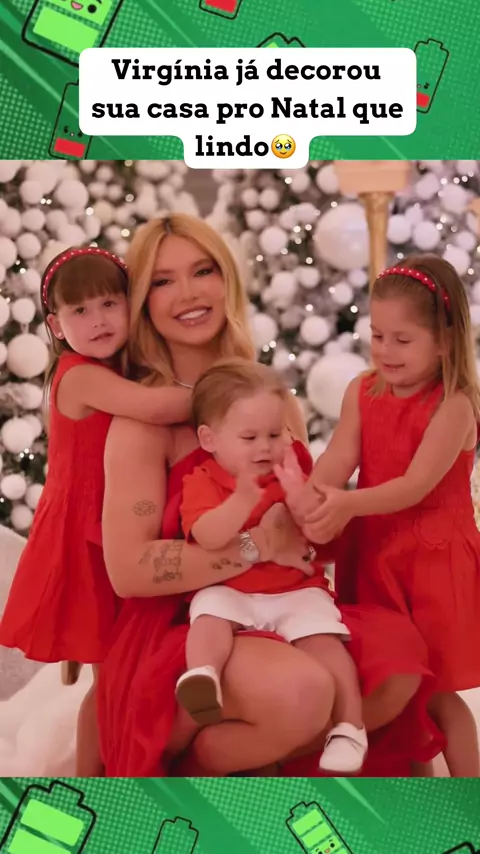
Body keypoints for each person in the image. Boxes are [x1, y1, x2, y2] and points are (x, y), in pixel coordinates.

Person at [97, 215, 443, 778]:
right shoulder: (141, 422)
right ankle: (191, 783)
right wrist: (256, 546)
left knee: (398, 664)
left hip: (284, 598)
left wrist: (323, 522)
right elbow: (129, 572)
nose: (188, 293)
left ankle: (275, 776)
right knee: (303, 691)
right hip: (186, 622)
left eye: (203, 271)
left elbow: (305, 535)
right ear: (141, 302)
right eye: (162, 281)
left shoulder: (269, 399)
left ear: (227, 279)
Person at [0, 246, 192, 776]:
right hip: (86, 538)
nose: (98, 320)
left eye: (110, 303)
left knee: (120, 675)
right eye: (80, 311)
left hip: (109, 527)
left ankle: (112, 772)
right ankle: (92, 783)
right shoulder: (78, 375)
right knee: (110, 680)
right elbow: (157, 406)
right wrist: (229, 386)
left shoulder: (115, 369)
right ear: (55, 326)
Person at [296, 255, 480, 777]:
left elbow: (415, 485)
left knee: (435, 691)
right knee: (391, 680)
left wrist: (346, 504)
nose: (385, 350)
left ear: (444, 340)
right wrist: (310, 496)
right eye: (378, 336)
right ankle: (412, 791)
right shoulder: (364, 390)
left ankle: (470, 792)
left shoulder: (454, 405)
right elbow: (338, 458)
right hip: (376, 553)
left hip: (431, 561)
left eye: (402, 340)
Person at [176, 358, 366, 774]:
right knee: (208, 615)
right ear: (209, 439)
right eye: (250, 437)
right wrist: (242, 501)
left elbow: (319, 536)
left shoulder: (289, 468)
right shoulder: (202, 480)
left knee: (326, 642)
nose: (265, 447)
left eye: (276, 434)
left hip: (294, 588)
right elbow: (207, 536)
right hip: (232, 587)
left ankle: (350, 727)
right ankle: (203, 675)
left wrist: (301, 499)